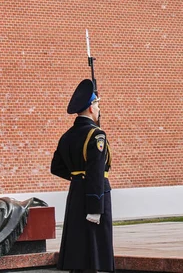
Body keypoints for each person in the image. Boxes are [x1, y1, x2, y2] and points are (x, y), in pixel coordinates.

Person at [51, 79, 114, 272]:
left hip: (76, 193)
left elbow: (56, 167)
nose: (98, 108)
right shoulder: (96, 135)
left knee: (78, 248)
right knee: (93, 250)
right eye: (97, 104)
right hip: (94, 195)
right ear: (90, 108)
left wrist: (77, 177)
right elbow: (95, 172)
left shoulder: (67, 135)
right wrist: (96, 207)